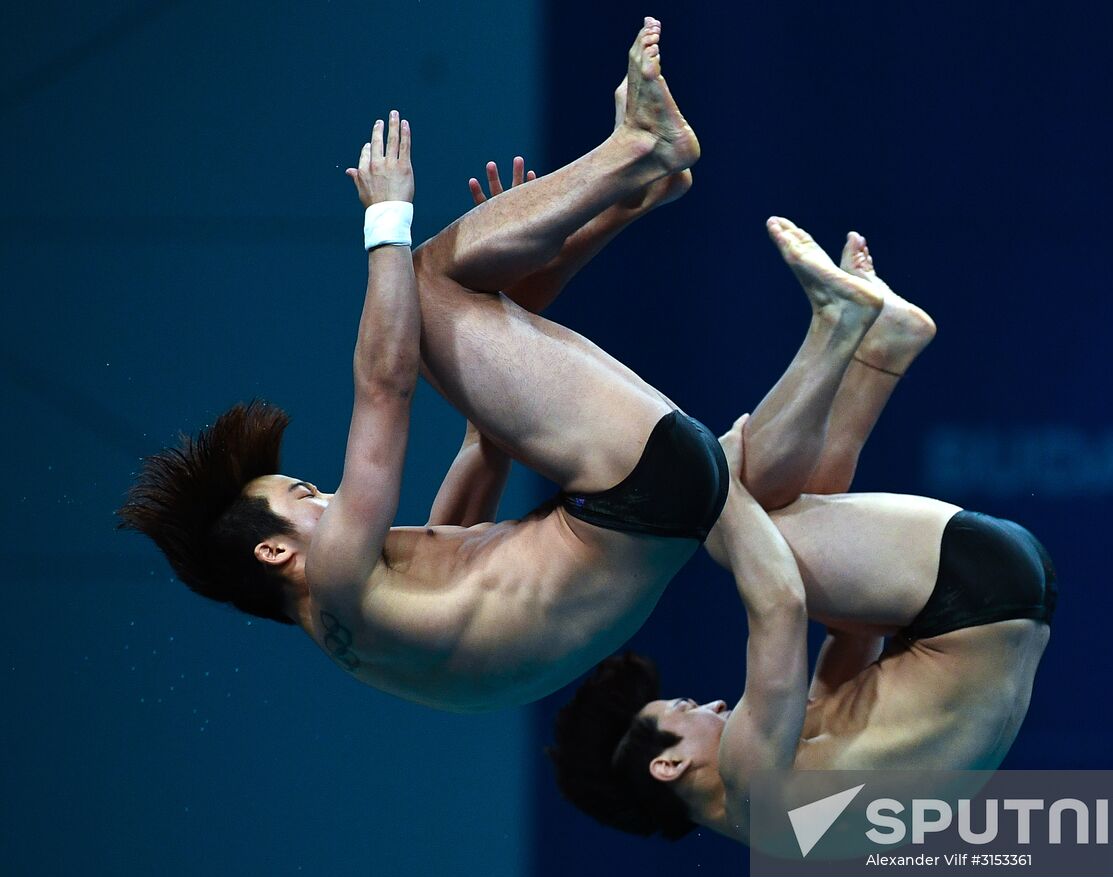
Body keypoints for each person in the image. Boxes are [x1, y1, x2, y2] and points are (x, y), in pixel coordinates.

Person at [116, 21, 883, 714]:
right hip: (633, 491)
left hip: (676, 502)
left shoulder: (378, 630)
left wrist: (582, 226)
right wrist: (387, 218)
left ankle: (672, 210)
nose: (331, 493)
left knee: (463, 298)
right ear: (275, 552)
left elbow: (492, 438)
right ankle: (637, 148)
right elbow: (386, 382)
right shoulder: (338, 576)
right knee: (420, 283)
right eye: (306, 494)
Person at [547, 232, 1058, 844]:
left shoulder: (790, 820)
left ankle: (882, 345)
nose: (713, 706)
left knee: (766, 519)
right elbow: (783, 603)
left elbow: (852, 627)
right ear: (670, 764)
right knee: (716, 527)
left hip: (1007, 591)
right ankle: (843, 329)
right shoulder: (753, 784)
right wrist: (713, 485)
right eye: (686, 713)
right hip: (965, 596)